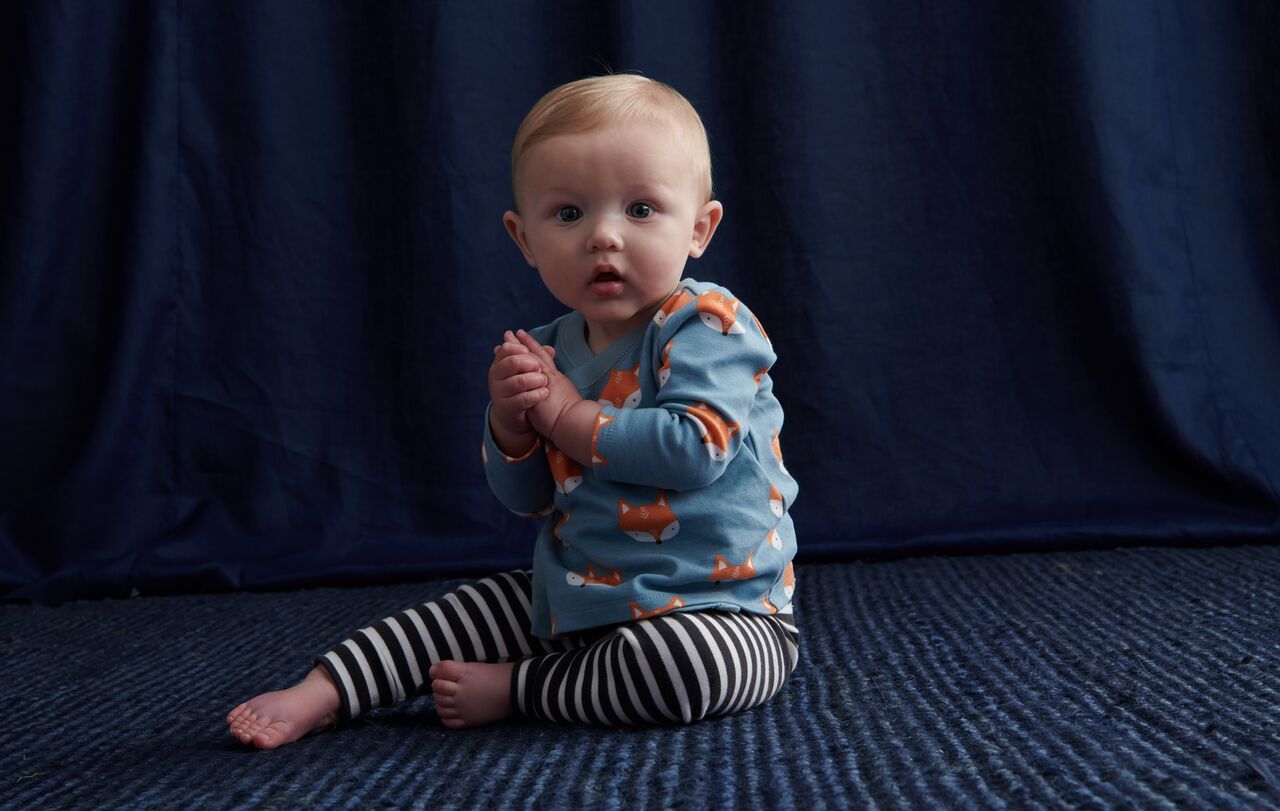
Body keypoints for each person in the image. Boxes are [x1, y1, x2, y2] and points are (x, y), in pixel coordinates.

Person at [227, 74, 799, 748]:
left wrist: (562, 417)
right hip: (582, 593)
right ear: (523, 238)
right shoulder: (549, 348)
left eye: (641, 210)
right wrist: (512, 426)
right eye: (568, 214)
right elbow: (528, 499)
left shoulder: (707, 322)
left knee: (685, 669)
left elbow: (693, 450)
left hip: (726, 609)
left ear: (699, 228)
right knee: (459, 613)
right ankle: (321, 691)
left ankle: (523, 687)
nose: (604, 237)